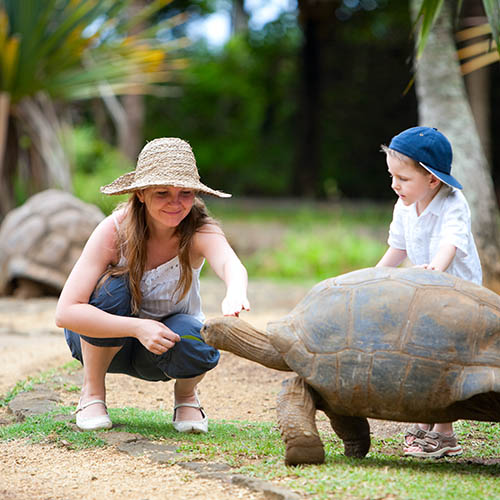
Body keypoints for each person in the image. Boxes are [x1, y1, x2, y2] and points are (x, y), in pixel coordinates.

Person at [55, 137, 250, 434]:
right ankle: (92, 394)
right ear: (142, 194)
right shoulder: (114, 229)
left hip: (161, 348)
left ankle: (186, 396)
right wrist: (137, 327)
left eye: (185, 193)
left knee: (198, 337)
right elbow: (66, 312)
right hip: (102, 342)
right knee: (113, 288)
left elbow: (229, 263)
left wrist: (235, 292)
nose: (176, 203)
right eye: (163, 193)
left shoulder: (199, 228)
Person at [376, 126, 482, 458]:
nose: (395, 184)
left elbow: (451, 243)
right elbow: (398, 249)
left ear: (433, 180)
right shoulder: (404, 205)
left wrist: (434, 269)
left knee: (441, 362)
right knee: (419, 357)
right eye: (392, 175)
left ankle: (445, 432)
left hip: (458, 298)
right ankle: (426, 421)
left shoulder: (453, 203)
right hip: (427, 293)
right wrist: (373, 278)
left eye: (403, 178)